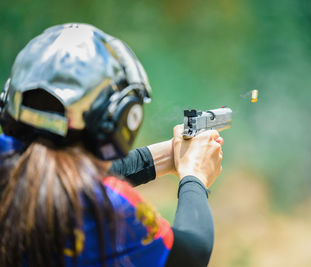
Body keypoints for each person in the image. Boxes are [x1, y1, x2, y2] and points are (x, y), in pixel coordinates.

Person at [0, 23, 224, 267]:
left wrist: (167, 155)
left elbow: (55, 173)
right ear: (118, 119)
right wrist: (194, 176)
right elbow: (192, 253)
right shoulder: (110, 208)